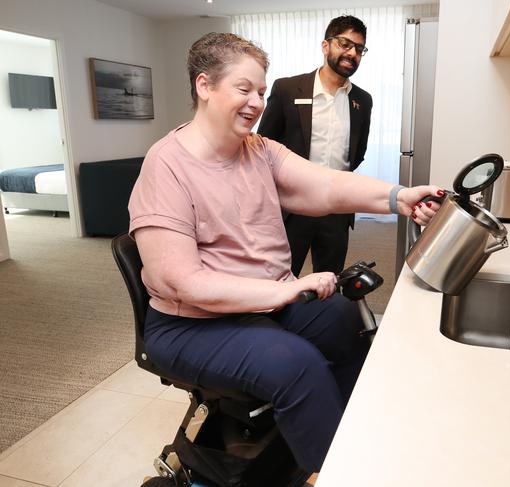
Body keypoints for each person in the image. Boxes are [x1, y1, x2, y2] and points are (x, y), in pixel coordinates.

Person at [128, 32, 442, 474]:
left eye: (260, 90)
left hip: (255, 303)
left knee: (342, 318)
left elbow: (326, 185)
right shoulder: (166, 168)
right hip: (188, 323)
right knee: (296, 364)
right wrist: (286, 292)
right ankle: (333, 472)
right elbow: (185, 282)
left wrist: (399, 196)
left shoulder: (258, 150)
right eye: (244, 89)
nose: (256, 102)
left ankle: (355, 437)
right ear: (204, 86)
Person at [257, 15, 372, 277]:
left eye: (359, 49)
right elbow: (263, 146)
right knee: (280, 278)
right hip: (292, 206)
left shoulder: (363, 100)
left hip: (337, 208)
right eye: (345, 44)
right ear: (325, 45)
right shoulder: (288, 89)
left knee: (330, 280)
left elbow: (358, 152)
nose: (352, 53)